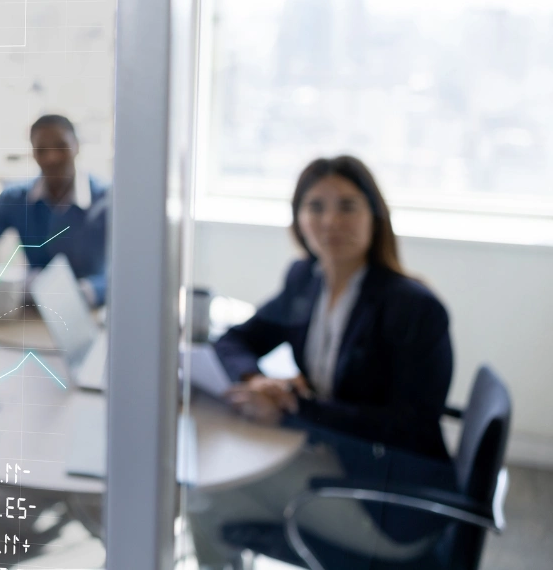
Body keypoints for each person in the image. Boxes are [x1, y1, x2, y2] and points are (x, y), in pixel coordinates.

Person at [190, 156, 455, 569]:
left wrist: (297, 407)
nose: (331, 220)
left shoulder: (413, 307)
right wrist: (254, 379)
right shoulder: (306, 280)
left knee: (203, 495)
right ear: (298, 219)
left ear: (375, 215)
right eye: (315, 206)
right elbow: (238, 339)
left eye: (347, 206)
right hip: (337, 458)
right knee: (208, 490)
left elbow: (409, 425)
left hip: (390, 502)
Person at [0, 114, 109, 306]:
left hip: (87, 314)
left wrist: (86, 292)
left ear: (77, 146)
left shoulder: (107, 200)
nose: (51, 157)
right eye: (42, 150)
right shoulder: (16, 198)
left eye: (60, 146)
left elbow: (128, 272)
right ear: (33, 154)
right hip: (30, 314)